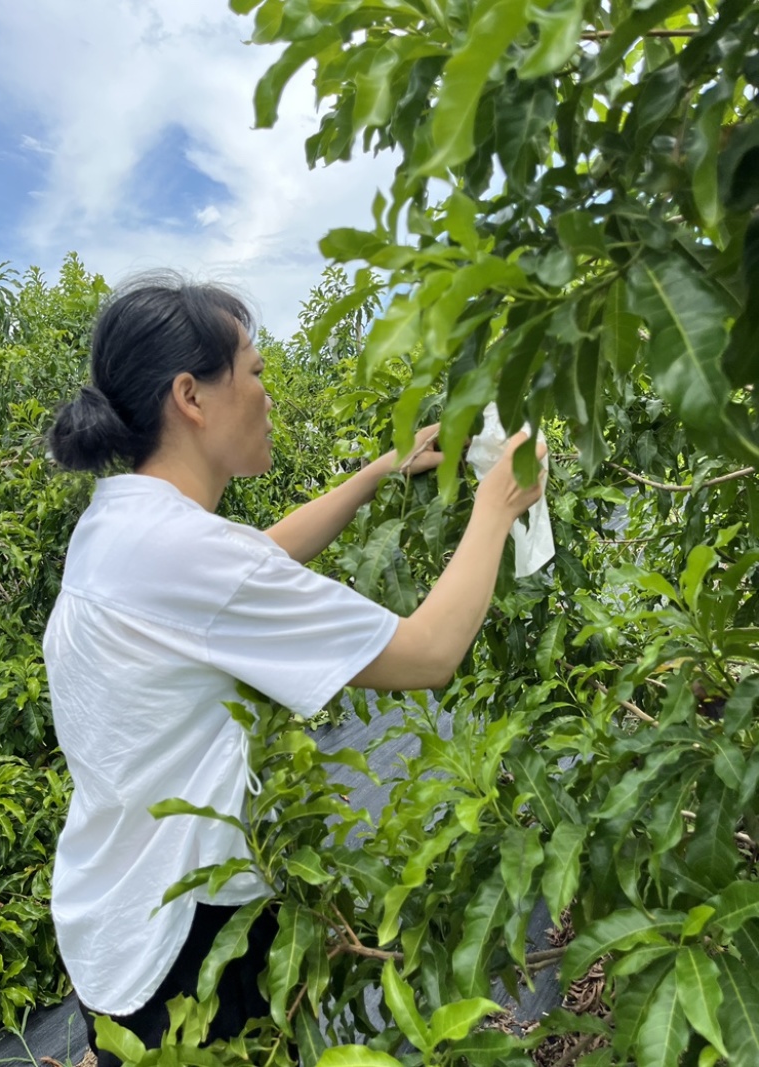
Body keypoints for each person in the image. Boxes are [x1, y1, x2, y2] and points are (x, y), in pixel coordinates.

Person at [43, 277, 545, 1064]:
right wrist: (497, 506)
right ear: (192, 396)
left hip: (106, 908)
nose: (268, 395)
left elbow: (248, 567)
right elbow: (428, 651)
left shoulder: (120, 520)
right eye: (256, 371)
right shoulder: (184, 552)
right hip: (181, 944)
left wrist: (379, 470)